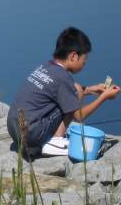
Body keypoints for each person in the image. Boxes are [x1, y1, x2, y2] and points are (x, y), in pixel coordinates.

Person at [7, 27, 120, 157]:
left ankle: (49, 138)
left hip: (13, 127)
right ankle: (56, 141)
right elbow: (79, 116)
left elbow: (59, 89)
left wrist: (91, 89)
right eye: (84, 60)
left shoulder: (47, 67)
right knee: (75, 94)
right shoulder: (63, 77)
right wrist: (104, 97)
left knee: (76, 88)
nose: (85, 64)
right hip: (31, 134)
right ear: (73, 56)